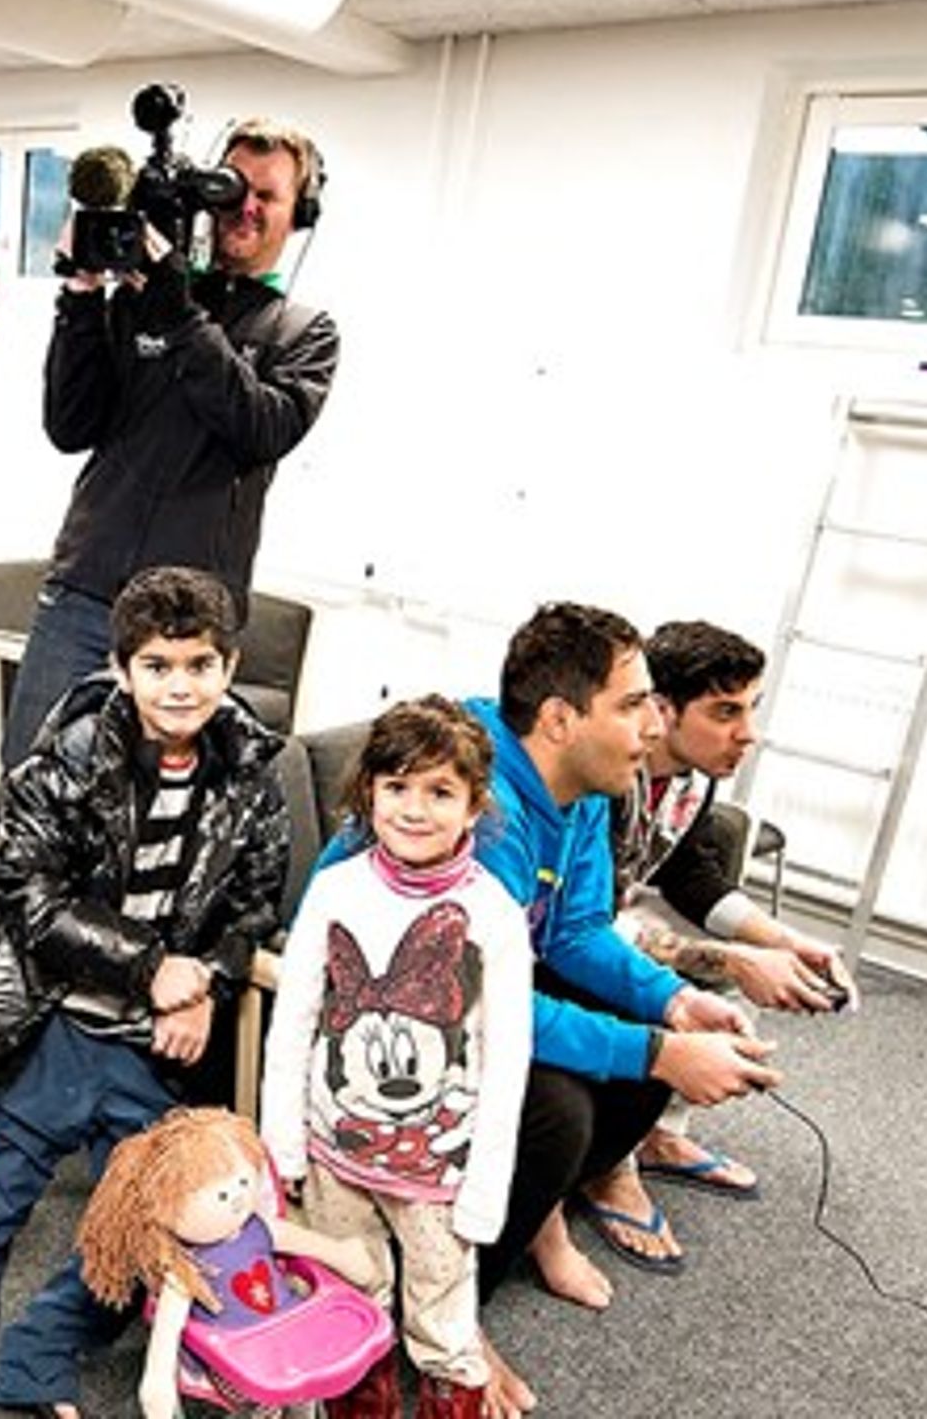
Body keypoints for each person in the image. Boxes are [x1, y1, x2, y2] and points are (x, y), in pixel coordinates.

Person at [0, 566, 290, 1419]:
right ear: (122, 668)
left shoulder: (250, 771)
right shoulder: (68, 758)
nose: (180, 685)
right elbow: (28, 895)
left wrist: (204, 985)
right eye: (157, 665)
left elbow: (254, 906)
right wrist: (151, 967)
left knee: (152, 1218)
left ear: (228, 666)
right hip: (49, 1017)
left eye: (199, 664)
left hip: (152, 1039)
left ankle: (42, 1347)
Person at [462, 604, 779, 1416]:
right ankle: (449, 1318)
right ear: (560, 719)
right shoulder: (480, 804)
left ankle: (512, 1225)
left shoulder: (580, 791)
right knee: (559, 1114)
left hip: (486, 994)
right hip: (399, 1020)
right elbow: (479, 1003)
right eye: (634, 704)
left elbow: (575, 930)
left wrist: (678, 1001)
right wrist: (658, 1050)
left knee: (647, 1057)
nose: (653, 724)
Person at [0, 117, 338, 769]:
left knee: (152, 807)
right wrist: (81, 297)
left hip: (186, 624)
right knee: (31, 787)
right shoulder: (144, 296)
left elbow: (259, 427)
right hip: (86, 592)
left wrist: (178, 313)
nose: (245, 206)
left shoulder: (303, 333)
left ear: (300, 214)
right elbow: (70, 425)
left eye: (267, 195)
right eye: (233, 187)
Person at [259, 697, 534, 1419]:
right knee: (350, 1308)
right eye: (397, 786)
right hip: (333, 1157)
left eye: (440, 791)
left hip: (438, 1174)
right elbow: (292, 1026)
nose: (415, 809)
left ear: (474, 804)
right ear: (369, 792)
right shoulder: (335, 889)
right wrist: (282, 1145)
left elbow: (508, 1062)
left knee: (444, 1328)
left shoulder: (496, 916)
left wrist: (485, 1191)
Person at [603, 619, 856, 1208]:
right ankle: (607, 1167)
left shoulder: (691, 779)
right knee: (697, 978)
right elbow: (581, 923)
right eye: (725, 713)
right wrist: (732, 959)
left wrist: (783, 941)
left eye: (750, 711)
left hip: (613, 914)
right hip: (568, 932)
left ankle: (658, 1135)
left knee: (736, 967)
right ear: (662, 710)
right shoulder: (607, 779)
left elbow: (688, 872)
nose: (748, 735)